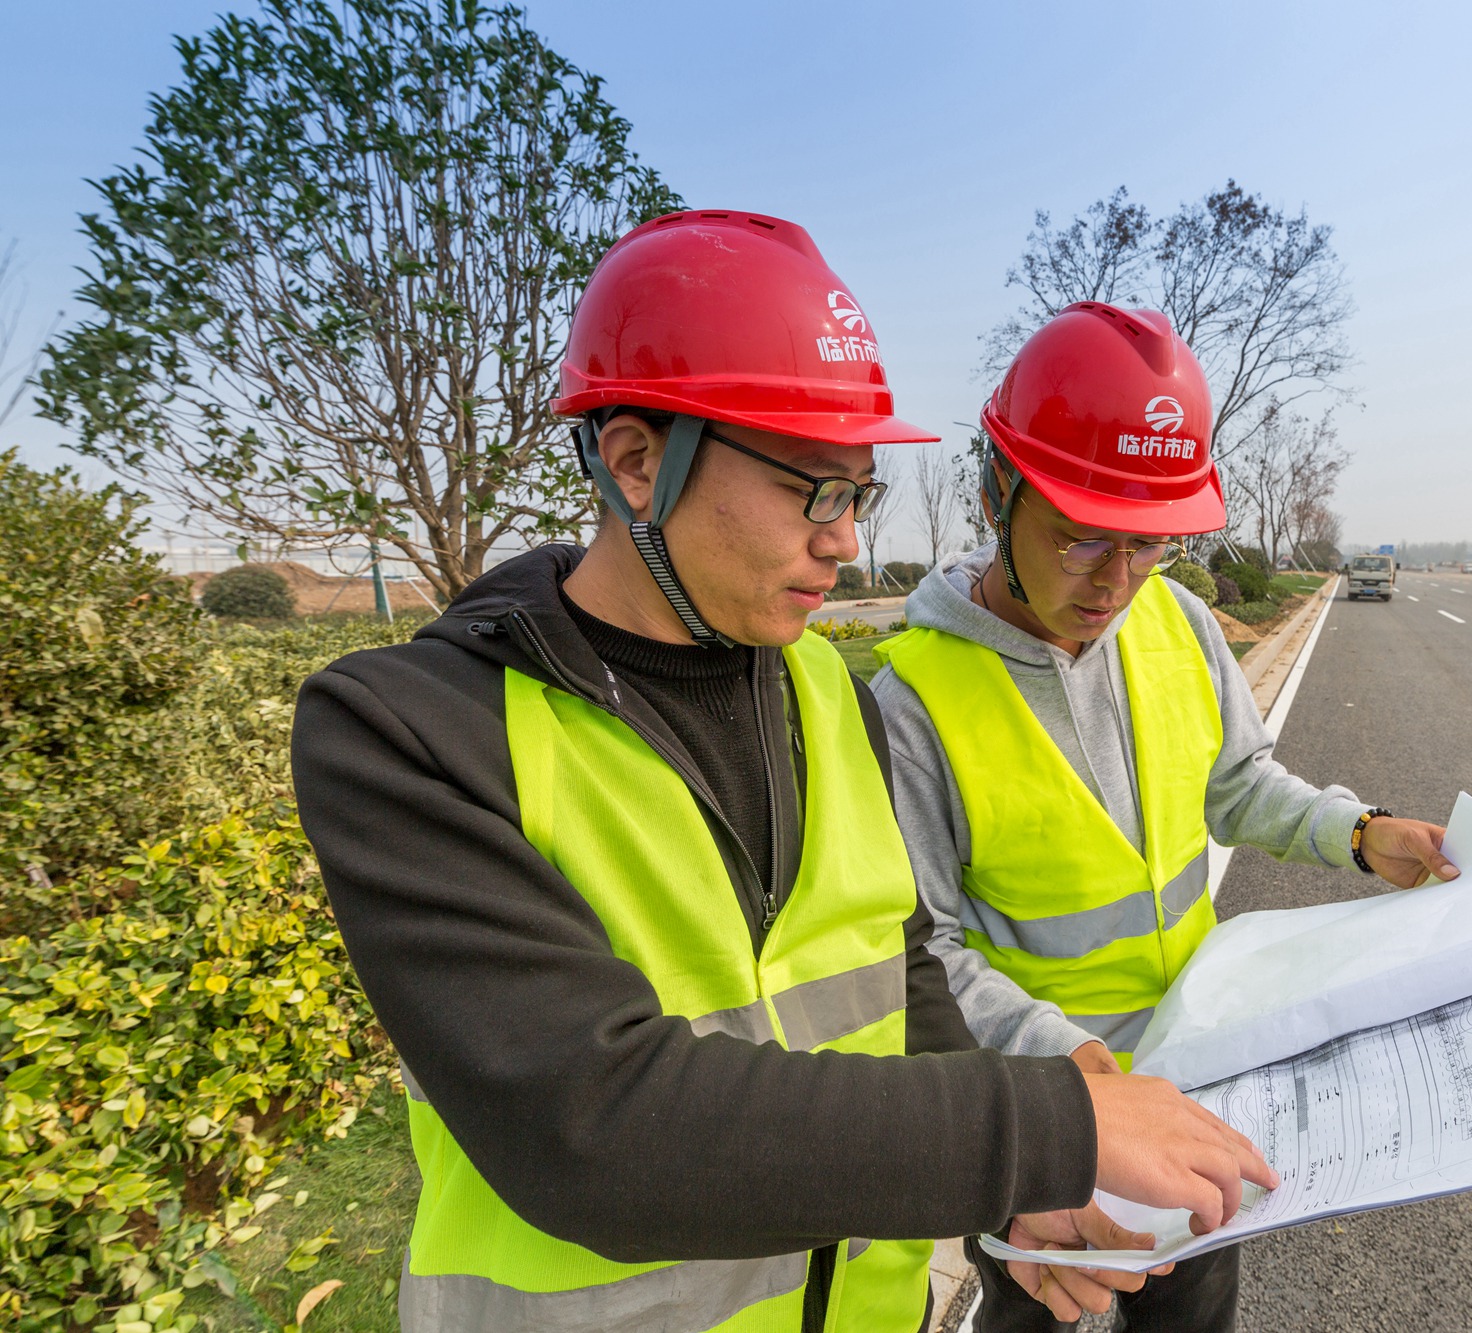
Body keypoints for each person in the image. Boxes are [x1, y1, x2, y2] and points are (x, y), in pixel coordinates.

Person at [291, 213, 1275, 1333]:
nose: (844, 541)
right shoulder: (412, 733)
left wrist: (1017, 1194)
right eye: (812, 490)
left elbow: (900, 973)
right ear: (633, 461)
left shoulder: (821, 693)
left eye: (860, 494)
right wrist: (1051, 1128)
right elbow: (593, 1124)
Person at [870, 302, 1459, 1332]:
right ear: (993, 489)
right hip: (1039, 1115)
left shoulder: (1175, 620)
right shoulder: (911, 698)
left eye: (1149, 543)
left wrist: (1359, 833)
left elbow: (1235, 785)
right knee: (1032, 1311)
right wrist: (1076, 1076)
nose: (1117, 580)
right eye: (1084, 539)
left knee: (1193, 1305)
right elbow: (925, 950)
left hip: (1194, 1078)